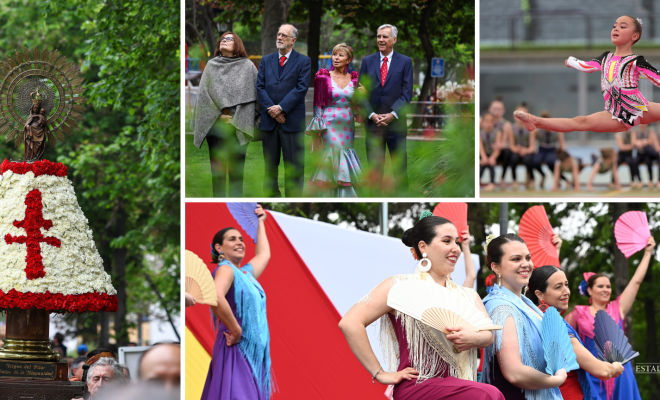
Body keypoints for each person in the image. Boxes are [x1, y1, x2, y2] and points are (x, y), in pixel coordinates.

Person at [339, 212, 505, 400]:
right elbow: (350, 323)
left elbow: (488, 334)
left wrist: (473, 338)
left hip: (458, 383)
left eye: (457, 242)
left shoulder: (466, 295)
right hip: (419, 386)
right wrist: (380, 373)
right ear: (423, 246)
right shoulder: (398, 286)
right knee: (488, 394)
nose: (456, 248)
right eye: (447, 241)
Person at [514, 16, 660, 133]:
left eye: (623, 26)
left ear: (634, 36)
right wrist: (572, 61)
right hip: (615, 114)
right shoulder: (605, 57)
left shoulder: (636, 61)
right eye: (614, 26)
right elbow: (588, 66)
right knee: (580, 122)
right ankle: (536, 121)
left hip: (639, 107)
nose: (616, 28)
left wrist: (571, 61)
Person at [564, 236, 655, 400]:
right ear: (590, 290)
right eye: (600, 286)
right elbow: (561, 336)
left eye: (608, 286)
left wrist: (648, 252)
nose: (606, 289)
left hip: (621, 374)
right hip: (593, 374)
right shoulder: (578, 313)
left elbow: (636, 282)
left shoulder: (617, 308)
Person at [481, 234, 566, 400]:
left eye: (528, 257)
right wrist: (555, 379)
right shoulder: (501, 307)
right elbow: (514, 372)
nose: (525, 264)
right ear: (496, 267)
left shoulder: (527, 303)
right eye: (516, 259)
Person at [201, 204, 272, 400]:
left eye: (241, 238)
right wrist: (236, 330)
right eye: (232, 239)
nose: (240, 242)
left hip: (252, 353)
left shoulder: (246, 274)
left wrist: (261, 223)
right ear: (219, 247)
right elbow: (215, 296)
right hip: (236, 348)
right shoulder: (226, 268)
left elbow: (264, 254)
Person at [526, 266, 624, 400]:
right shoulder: (555, 325)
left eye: (566, 285)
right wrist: (615, 367)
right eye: (558, 287)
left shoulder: (535, 319)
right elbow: (602, 371)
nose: (566, 291)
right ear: (539, 294)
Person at [192, 31, 260, 197]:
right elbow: (203, 98)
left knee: (237, 173)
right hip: (216, 127)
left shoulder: (247, 66)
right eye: (222, 38)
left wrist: (240, 116)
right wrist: (219, 116)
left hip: (240, 124)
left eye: (229, 39)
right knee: (218, 174)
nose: (224, 40)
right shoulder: (211, 65)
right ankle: (219, 204)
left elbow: (256, 94)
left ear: (237, 44)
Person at [256, 23, 311, 198]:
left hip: (292, 122)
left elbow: (301, 88)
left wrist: (280, 108)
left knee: (294, 167)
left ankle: (293, 201)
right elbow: (260, 87)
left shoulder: (304, 61)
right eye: (278, 34)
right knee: (270, 167)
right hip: (269, 122)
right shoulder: (266, 60)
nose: (279, 38)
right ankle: (272, 200)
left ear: (293, 40)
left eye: (284, 35)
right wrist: (272, 111)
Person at [359, 24, 413, 195]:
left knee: (400, 172)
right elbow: (361, 92)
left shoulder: (405, 62)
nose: (380, 40)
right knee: (375, 173)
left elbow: (407, 94)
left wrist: (392, 114)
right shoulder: (367, 62)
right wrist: (371, 114)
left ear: (394, 40)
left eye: (385, 37)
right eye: (379, 36)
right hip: (373, 125)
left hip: (396, 125)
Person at [305, 43, 366, 197]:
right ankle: (327, 194)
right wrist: (317, 127)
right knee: (332, 154)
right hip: (328, 122)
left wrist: (363, 94)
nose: (336, 58)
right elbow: (318, 105)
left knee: (346, 152)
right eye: (334, 54)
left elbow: (357, 104)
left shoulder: (354, 79)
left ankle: (346, 195)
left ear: (348, 60)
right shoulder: (322, 77)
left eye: (341, 55)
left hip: (347, 123)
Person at [531, 112, 566, 190]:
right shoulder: (537, 130)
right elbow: (532, 146)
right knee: (535, 162)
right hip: (541, 150)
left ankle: (559, 179)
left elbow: (563, 146)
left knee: (551, 162)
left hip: (552, 150)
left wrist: (562, 156)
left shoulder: (557, 130)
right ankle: (543, 175)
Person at [507, 104, 536, 189]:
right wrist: (518, 150)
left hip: (527, 151)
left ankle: (532, 179)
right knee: (513, 158)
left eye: (523, 114)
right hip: (516, 151)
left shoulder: (531, 128)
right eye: (518, 114)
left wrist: (525, 150)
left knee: (528, 160)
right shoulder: (511, 128)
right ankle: (514, 180)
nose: (520, 117)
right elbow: (511, 146)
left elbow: (532, 147)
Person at [488, 100, 513, 188]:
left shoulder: (506, 124)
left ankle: (502, 178)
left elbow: (504, 143)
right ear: (490, 109)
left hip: (499, 151)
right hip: (487, 149)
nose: (497, 112)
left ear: (503, 110)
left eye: (499, 109)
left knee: (507, 152)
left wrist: (497, 146)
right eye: (495, 109)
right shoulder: (483, 122)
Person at [479, 112, 502, 191]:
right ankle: (477, 181)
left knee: (491, 165)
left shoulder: (497, 133)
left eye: (491, 121)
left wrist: (493, 157)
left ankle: (492, 183)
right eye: (486, 121)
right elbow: (480, 148)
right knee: (482, 165)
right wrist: (484, 157)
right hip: (483, 154)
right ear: (483, 122)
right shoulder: (480, 133)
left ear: (493, 122)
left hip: (494, 155)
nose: (488, 124)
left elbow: (497, 149)